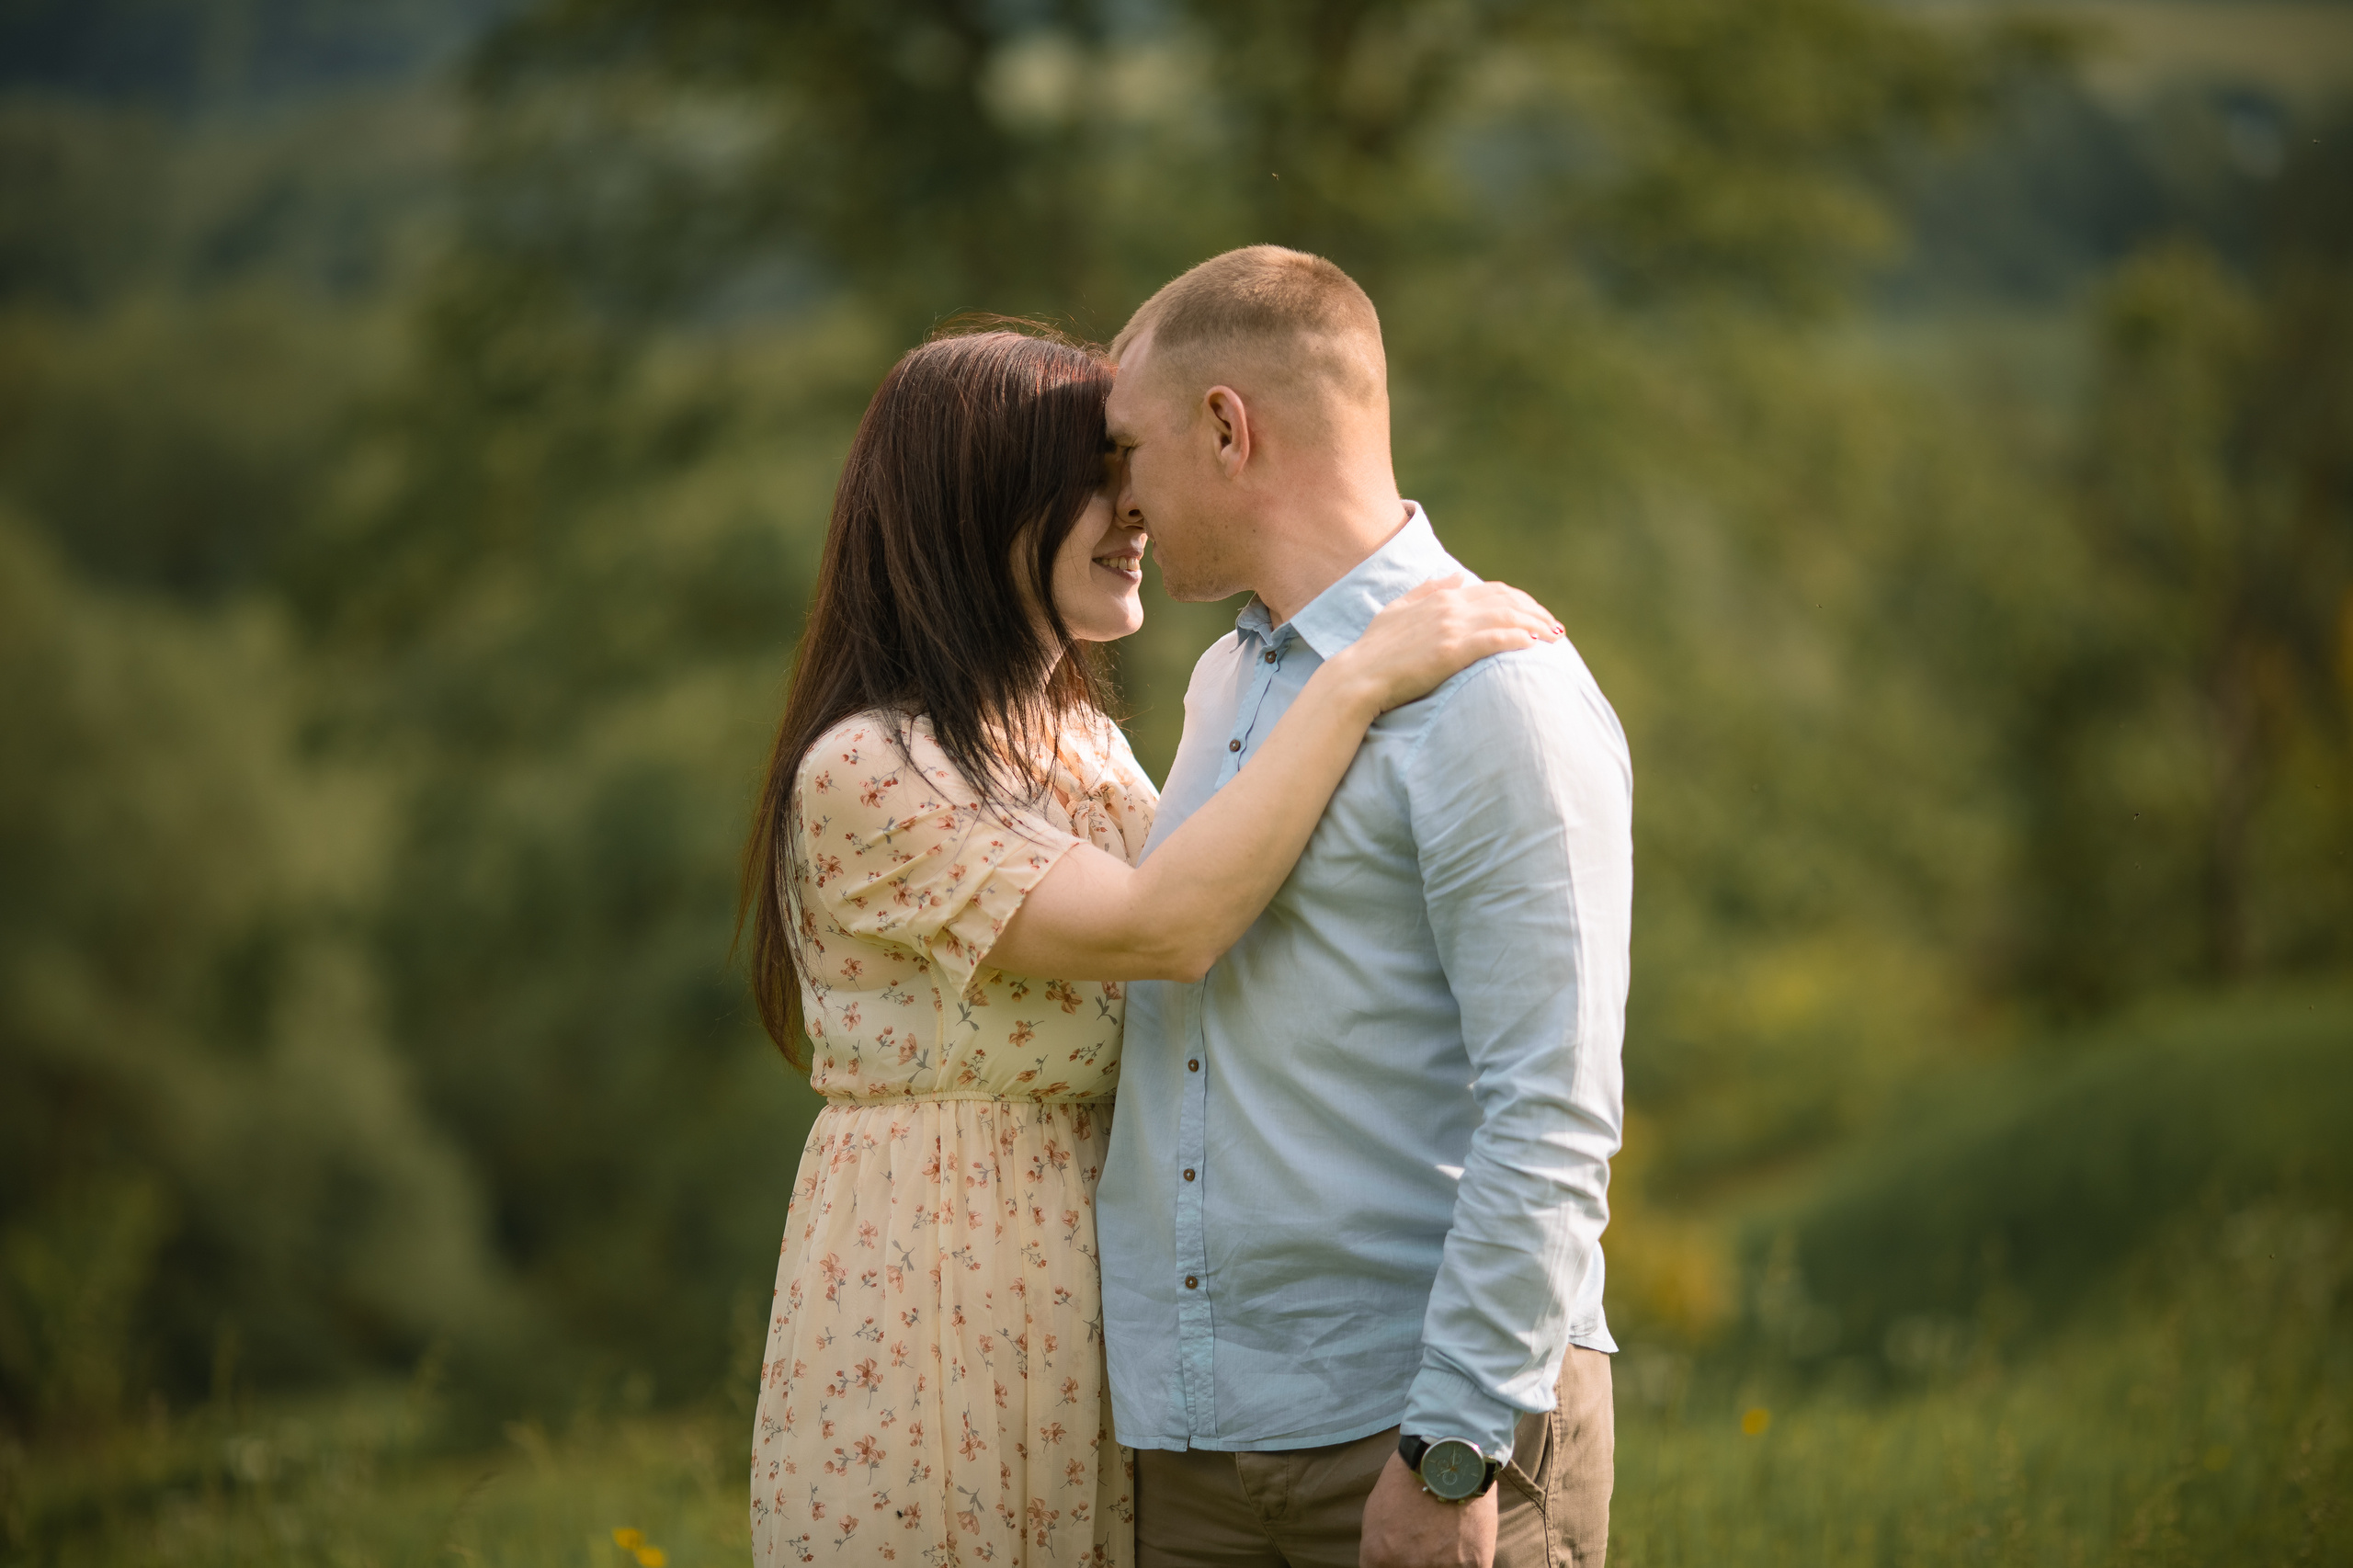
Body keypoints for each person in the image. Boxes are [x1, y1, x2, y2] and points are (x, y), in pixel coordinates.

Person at [736, 325, 1563, 1566]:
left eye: (1129, 459)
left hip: (1105, 1302)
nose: (1135, 507)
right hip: (939, 1284)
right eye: (1093, 469)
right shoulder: (871, 766)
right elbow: (1163, 926)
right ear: (978, 505)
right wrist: (1359, 677)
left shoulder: (1084, 747)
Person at [1095, 246, 1634, 1568]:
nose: (1121, 495)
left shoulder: (1501, 695)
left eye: (1128, 447)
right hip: (1199, 1453)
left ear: (1228, 428)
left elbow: (1552, 1110)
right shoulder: (1224, 684)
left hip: (1421, 1440)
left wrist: (1451, 1451)